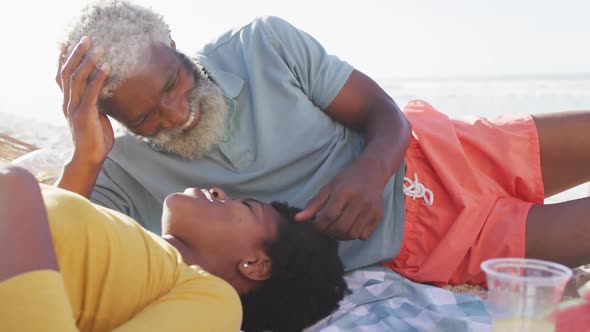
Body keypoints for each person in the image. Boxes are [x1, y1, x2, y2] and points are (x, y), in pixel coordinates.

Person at [56, 0, 590, 288]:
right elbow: (55, 262)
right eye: (147, 116)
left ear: (173, 45)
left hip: (437, 151)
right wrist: (84, 156)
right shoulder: (117, 171)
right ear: (107, 117)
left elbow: (383, 112)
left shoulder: (263, 43)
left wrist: (370, 170)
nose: (177, 113)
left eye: (173, 82)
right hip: (428, 242)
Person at [0, 165, 347, 332]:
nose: (218, 192)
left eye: (245, 207)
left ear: (256, 264)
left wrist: (16, 199)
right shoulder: (135, 240)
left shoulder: (215, 302)